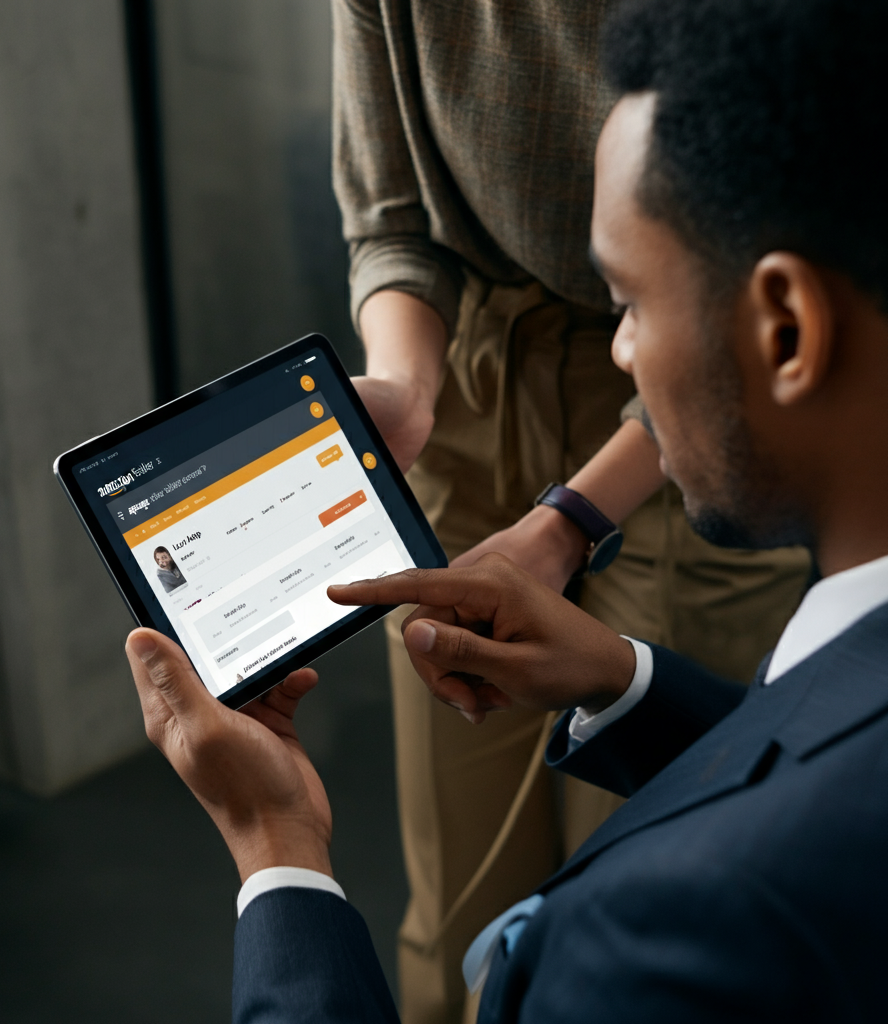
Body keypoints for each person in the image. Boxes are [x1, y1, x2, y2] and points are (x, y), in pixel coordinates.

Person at [125, 0, 888, 1018]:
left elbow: (727, 860)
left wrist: (278, 849)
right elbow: (798, 757)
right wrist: (623, 680)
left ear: (786, 328)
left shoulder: (655, 926)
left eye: (630, 304)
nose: (622, 348)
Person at [332, 3, 812, 1016]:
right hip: (470, 381)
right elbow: (392, 221)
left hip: (693, 392)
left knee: (639, 876)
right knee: (458, 894)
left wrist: (567, 520)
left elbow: (751, 262)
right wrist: (406, 388)